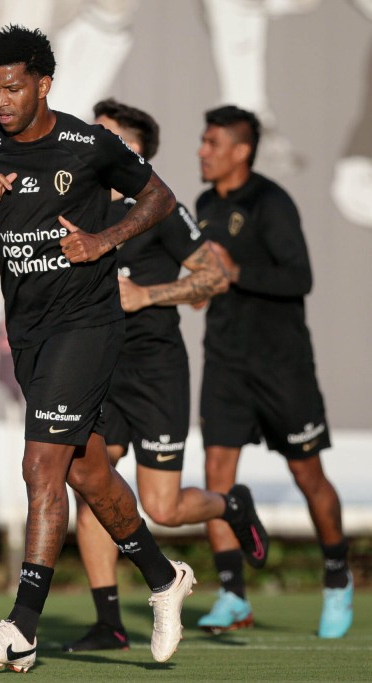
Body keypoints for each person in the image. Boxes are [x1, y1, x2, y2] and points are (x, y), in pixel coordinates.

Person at [0, 25, 195, 672]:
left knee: (41, 465)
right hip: (31, 334)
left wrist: (106, 241)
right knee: (85, 470)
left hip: (88, 324)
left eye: (14, 87)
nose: (2, 99)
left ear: (44, 83)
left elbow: (160, 196)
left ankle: (22, 624)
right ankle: (165, 578)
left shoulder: (86, 142)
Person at [62, 100, 269, 652]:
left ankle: (231, 504)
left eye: (100, 134)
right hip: (98, 367)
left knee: (163, 508)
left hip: (154, 369)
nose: (86, 139)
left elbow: (215, 277)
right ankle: (109, 622)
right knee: (89, 480)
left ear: (130, 150)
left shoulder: (157, 205)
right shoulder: (74, 204)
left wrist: (147, 296)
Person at [195, 105, 352, 639]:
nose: (202, 150)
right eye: (203, 141)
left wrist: (236, 271)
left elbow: (300, 277)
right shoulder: (202, 204)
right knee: (218, 476)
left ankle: (337, 581)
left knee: (307, 474)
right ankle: (232, 595)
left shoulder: (271, 202)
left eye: (212, 142)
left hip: (281, 365)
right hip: (224, 362)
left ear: (241, 150)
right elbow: (206, 276)